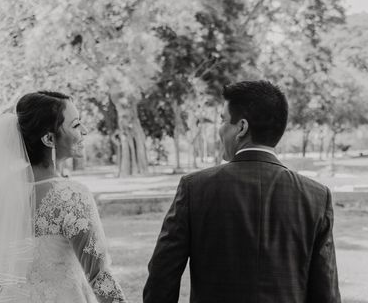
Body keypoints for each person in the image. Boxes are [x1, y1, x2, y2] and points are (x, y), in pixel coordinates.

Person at [143, 80, 341, 303]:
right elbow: (326, 293)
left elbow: (162, 277)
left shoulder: (195, 188)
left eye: (223, 120)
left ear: (242, 128)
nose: (220, 129)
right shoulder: (316, 196)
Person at [0, 91, 127, 303]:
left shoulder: (1, 193)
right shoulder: (71, 197)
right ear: (49, 138)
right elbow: (99, 276)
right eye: (76, 125)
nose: (84, 131)